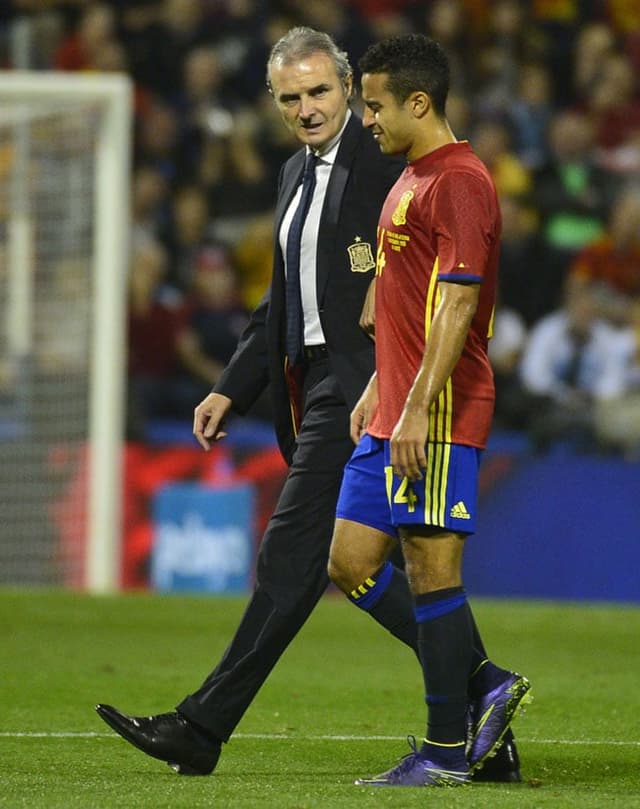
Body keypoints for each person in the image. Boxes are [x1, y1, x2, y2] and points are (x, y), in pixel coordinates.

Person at [95, 27, 521, 783]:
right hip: (320, 387)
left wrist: (398, 384)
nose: (308, 108)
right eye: (291, 98)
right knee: (355, 562)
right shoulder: (294, 175)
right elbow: (280, 301)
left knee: (295, 558)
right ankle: (479, 687)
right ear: (275, 104)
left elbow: (424, 285)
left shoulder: (390, 158)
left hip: (367, 385)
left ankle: (202, 726)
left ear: (352, 87)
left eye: (321, 91)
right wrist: (233, 383)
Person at [327, 34, 531, 787]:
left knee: (430, 567)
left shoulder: (463, 181)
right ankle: (485, 683)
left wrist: (414, 405)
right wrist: (381, 390)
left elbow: (458, 300)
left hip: (440, 408)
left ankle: (446, 753)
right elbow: (401, 304)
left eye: (374, 106)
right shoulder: (410, 178)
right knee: (349, 560)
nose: (366, 120)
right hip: (398, 405)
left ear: (419, 102)